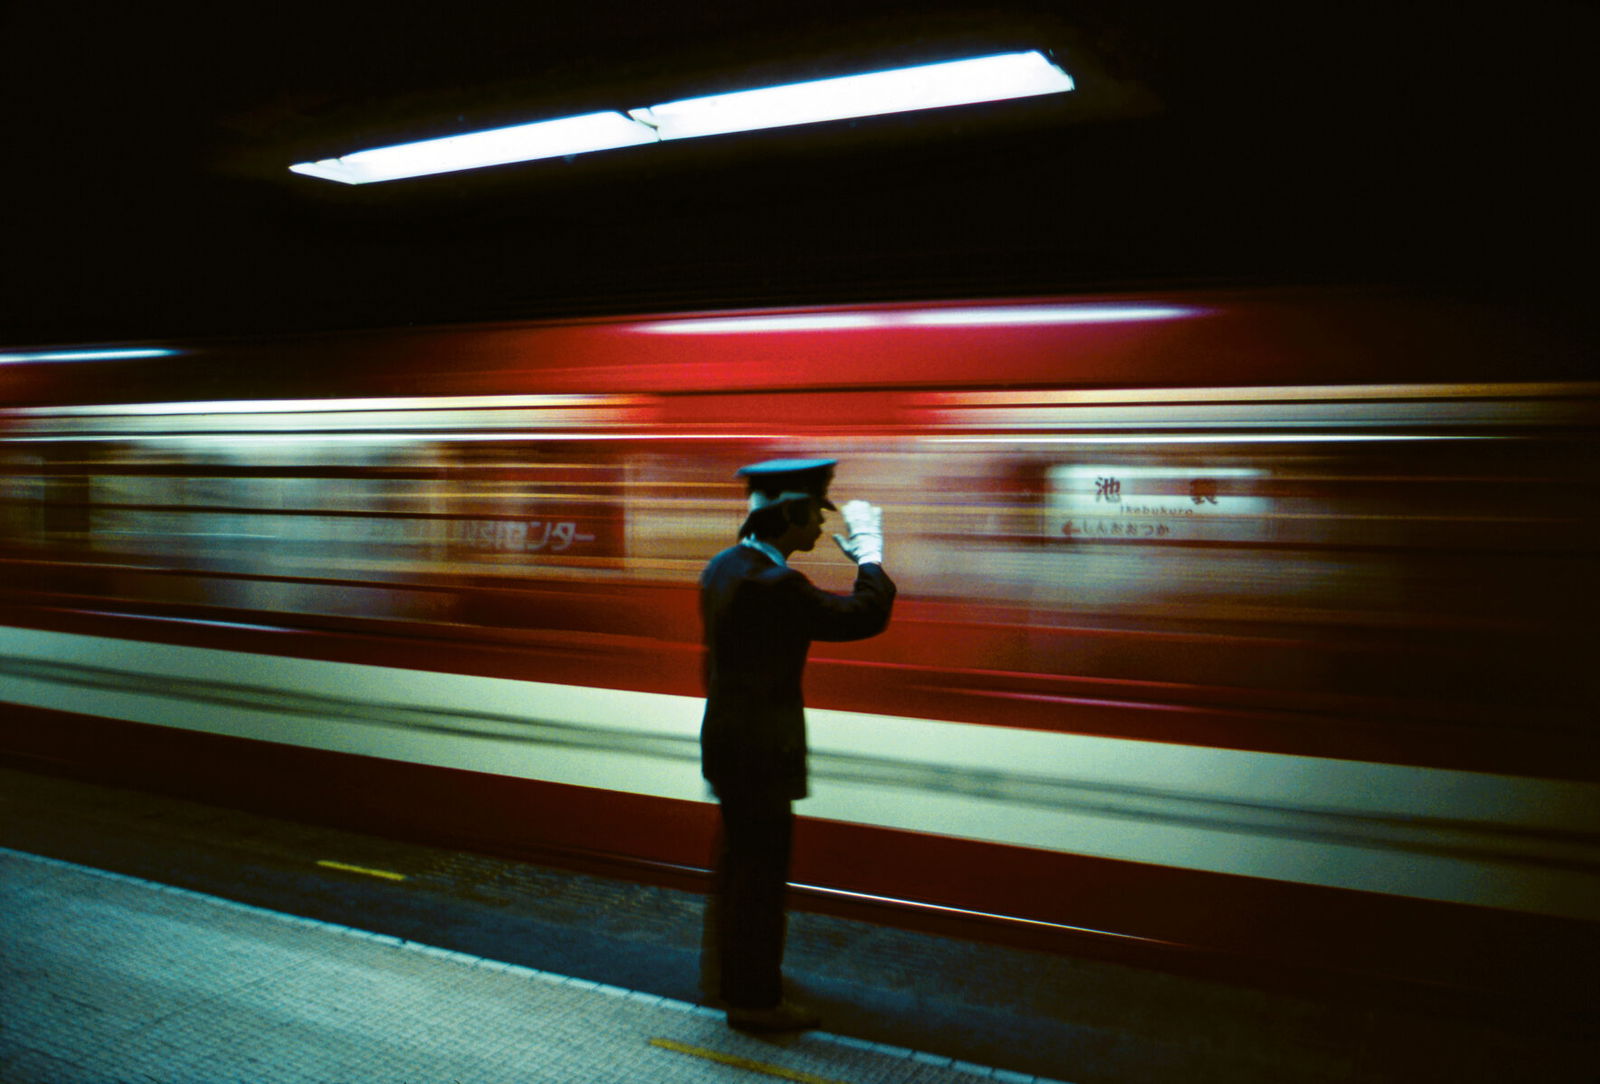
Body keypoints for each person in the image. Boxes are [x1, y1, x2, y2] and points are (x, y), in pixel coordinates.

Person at [699, 458, 896, 1032]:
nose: (818, 530)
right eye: (813, 517)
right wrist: (868, 550)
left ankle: (730, 979)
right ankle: (756, 1004)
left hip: (729, 745)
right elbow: (864, 614)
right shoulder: (775, 584)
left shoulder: (723, 567)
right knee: (760, 882)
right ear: (789, 514)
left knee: (737, 872)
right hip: (762, 754)